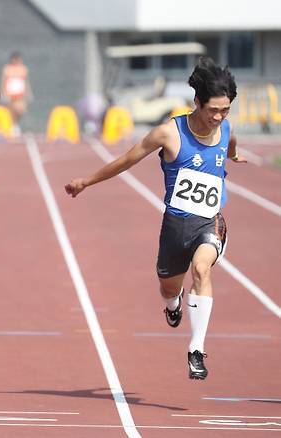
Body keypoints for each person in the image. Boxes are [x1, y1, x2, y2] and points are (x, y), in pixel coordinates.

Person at [65, 57, 247, 380]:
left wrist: (232, 155)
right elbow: (125, 160)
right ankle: (174, 306)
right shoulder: (168, 134)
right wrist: (86, 182)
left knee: (202, 268)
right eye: (213, 110)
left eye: (226, 110)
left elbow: (230, 140)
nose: (219, 117)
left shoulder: (226, 127)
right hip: (176, 229)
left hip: (210, 223)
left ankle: (196, 351)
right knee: (168, 287)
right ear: (197, 102)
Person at [0, 52, 30, 136]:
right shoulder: (7, 69)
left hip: (20, 93)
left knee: (21, 110)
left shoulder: (23, 68)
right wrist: (3, 92)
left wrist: (28, 93)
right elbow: (3, 81)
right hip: (10, 93)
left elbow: (26, 82)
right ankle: (13, 126)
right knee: (11, 110)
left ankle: (15, 123)